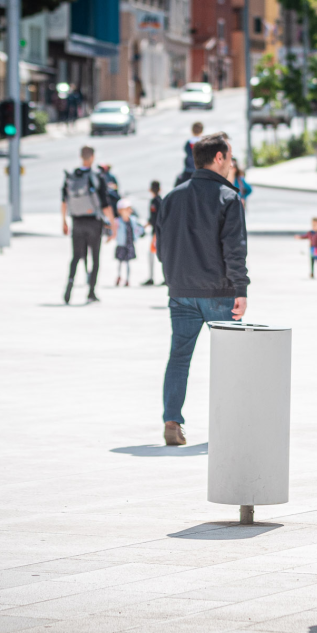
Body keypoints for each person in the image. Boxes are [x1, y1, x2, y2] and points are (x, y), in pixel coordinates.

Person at [156, 133, 249, 446]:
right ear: (219, 158)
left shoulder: (171, 197)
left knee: (179, 358)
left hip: (179, 292)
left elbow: (160, 246)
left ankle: (172, 422)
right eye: (230, 156)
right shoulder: (228, 197)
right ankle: (230, 426)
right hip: (219, 293)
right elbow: (235, 249)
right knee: (231, 360)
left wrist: (173, 278)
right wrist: (241, 289)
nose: (232, 163)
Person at [61, 146, 114, 304]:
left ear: (80, 157)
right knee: (95, 258)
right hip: (93, 222)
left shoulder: (71, 176)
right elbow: (105, 203)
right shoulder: (97, 176)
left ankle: (69, 285)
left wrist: (63, 220)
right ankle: (91, 292)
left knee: (76, 256)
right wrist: (112, 224)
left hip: (76, 221)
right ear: (92, 157)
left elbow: (64, 200)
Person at [114, 199, 145, 286]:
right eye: (126, 209)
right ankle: (119, 276)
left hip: (130, 244)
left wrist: (141, 232)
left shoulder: (133, 220)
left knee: (127, 263)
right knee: (120, 262)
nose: (129, 211)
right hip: (121, 244)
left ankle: (127, 279)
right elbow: (112, 229)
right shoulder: (118, 221)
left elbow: (138, 229)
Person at [143, 180, 162, 286]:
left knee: (152, 254)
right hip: (159, 231)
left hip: (156, 232)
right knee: (161, 255)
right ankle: (164, 277)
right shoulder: (161, 200)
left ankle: (151, 277)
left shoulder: (155, 202)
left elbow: (154, 218)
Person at [175, 122, 205, 187]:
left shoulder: (188, 143)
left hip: (188, 171)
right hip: (200, 171)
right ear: (202, 130)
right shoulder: (204, 143)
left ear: (192, 131)